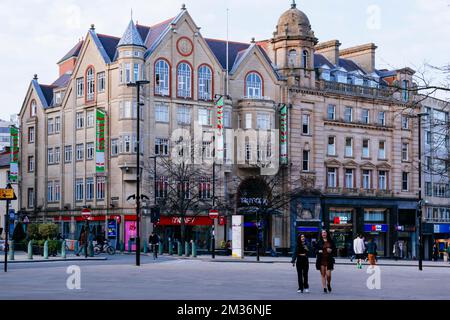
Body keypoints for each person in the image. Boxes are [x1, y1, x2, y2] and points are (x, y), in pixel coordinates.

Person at [315, 230, 336, 294]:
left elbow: (334, 250)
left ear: (327, 234)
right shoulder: (319, 242)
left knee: (328, 275)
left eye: (325, 232)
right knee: (323, 274)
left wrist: (331, 250)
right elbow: (315, 250)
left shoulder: (331, 241)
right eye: (322, 233)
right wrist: (318, 251)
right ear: (321, 234)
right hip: (321, 259)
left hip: (329, 259)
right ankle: (324, 287)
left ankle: (328, 284)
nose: (323, 234)